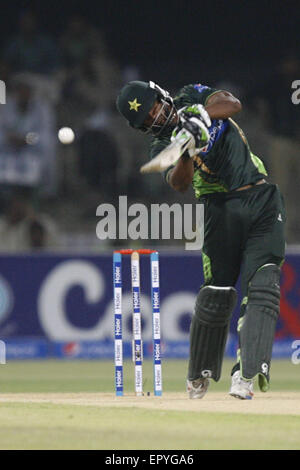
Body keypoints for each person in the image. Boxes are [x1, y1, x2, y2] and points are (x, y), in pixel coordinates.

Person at [116, 80, 286, 400]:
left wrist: (200, 119)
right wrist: (185, 149)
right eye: (148, 118)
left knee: (264, 282)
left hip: (261, 197)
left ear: (162, 95)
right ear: (143, 128)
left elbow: (231, 102)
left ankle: (246, 374)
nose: (156, 116)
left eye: (155, 106)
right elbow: (179, 184)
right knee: (217, 294)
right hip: (219, 210)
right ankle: (198, 375)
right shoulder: (161, 145)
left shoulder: (190, 95)